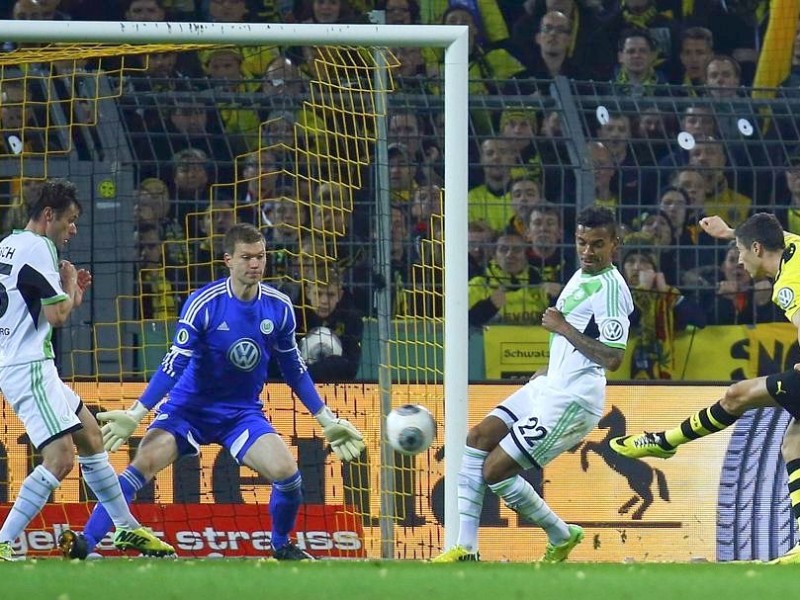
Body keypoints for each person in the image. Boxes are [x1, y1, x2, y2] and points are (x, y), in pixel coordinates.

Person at [74, 223, 365, 560]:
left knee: (289, 476)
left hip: (240, 414)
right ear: (228, 260)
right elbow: (173, 365)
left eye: (260, 257)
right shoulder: (204, 303)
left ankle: (282, 545)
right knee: (143, 465)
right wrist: (137, 414)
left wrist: (326, 419)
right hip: (188, 409)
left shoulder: (280, 307)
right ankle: (85, 543)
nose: (255, 264)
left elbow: (295, 371)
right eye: (247, 258)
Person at [433, 207, 633, 563]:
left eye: (597, 244)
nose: (588, 251)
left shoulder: (611, 289)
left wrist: (562, 328)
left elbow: (613, 357)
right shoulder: (582, 274)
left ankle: (560, 532)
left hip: (573, 400)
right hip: (551, 385)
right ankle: (465, 548)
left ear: (615, 244)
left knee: (495, 470)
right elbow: (577, 342)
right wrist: (550, 368)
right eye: (582, 242)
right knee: (477, 438)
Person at [609, 212, 800, 565]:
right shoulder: (792, 247)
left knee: (737, 396)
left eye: (742, 251)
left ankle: (665, 442)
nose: (739, 260)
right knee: (794, 443)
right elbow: (774, 233)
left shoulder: (788, 284)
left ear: (757, 248)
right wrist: (731, 232)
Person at [0, 179, 174, 561]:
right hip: (28, 366)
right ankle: (3, 539)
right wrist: (67, 284)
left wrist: (70, 294)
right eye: (71, 220)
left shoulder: (8, 244)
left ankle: (126, 528)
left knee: (91, 436)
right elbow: (57, 316)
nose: (73, 229)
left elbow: (43, 310)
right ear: (49, 216)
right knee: (60, 459)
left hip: (26, 361)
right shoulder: (39, 248)